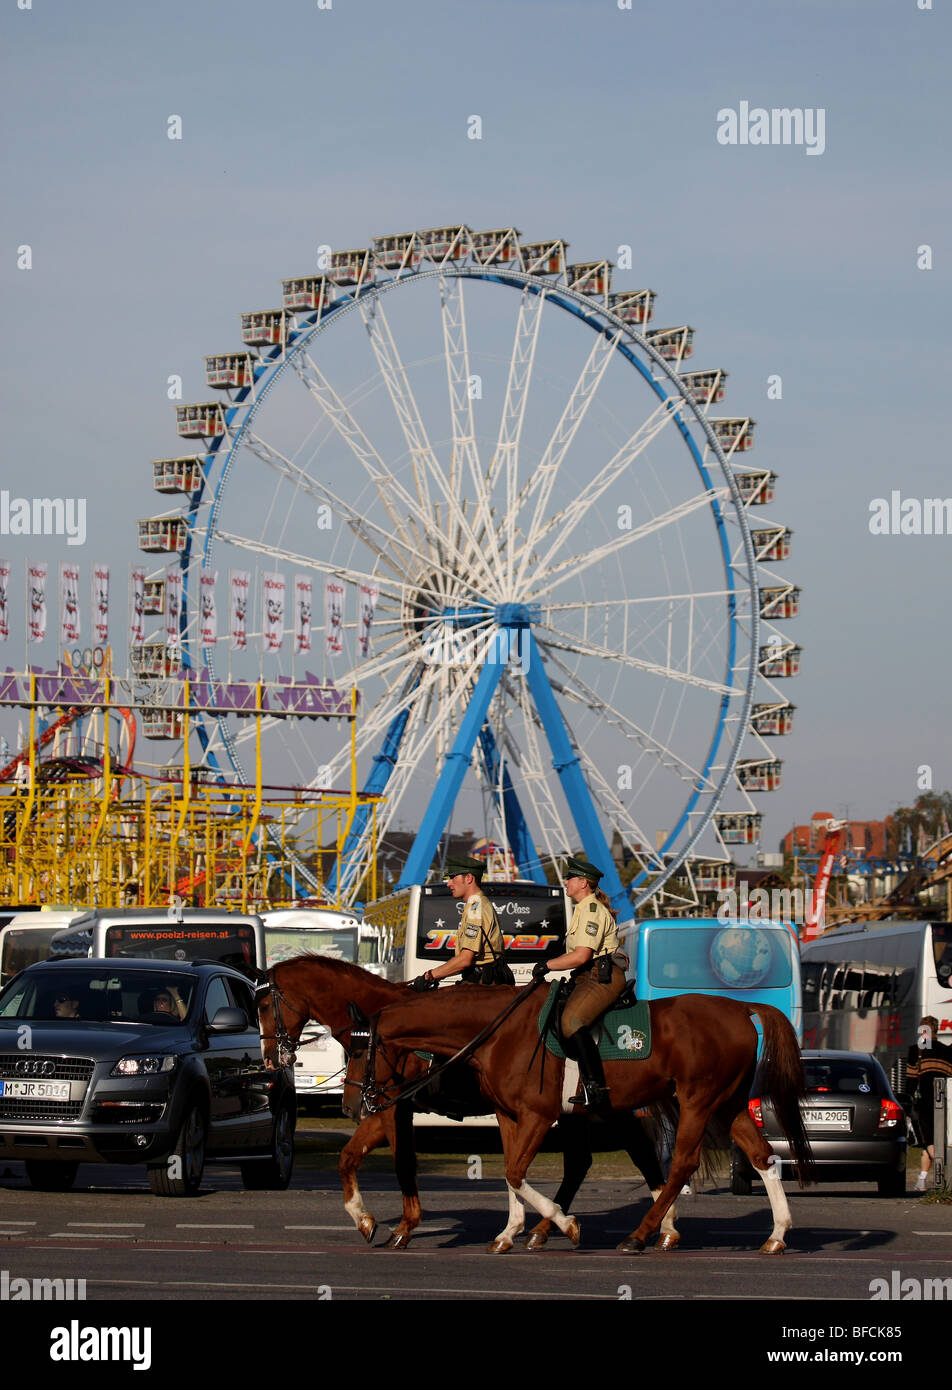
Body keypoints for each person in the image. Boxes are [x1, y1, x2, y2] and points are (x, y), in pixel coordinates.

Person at [532, 854, 629, 1110]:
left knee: (572, 1021)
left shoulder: (591, 910)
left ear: (584, 883)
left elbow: (582, 955)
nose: (565, 881)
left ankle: (596, 1088)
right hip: (587, 976)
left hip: (601, 976)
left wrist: (547, 965)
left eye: (570, 878)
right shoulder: (583, 909)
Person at [409, 855, 511, 989]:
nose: (448, 883)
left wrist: (430, 976)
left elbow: (465, 959)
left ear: (469, 878)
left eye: (453, 877)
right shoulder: (475, 905)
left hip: (483, 987)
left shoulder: (476, 909)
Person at [906, 1014, 952, 1192]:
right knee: (936, 1141)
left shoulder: (916, 1051)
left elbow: (910, 1081)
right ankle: (921, 1180)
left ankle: (946, 1175)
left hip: (924, 1103)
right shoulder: (948, 1051)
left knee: (929, 1142)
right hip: (945, 1103)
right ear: (937, 1030)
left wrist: (907, 1103)